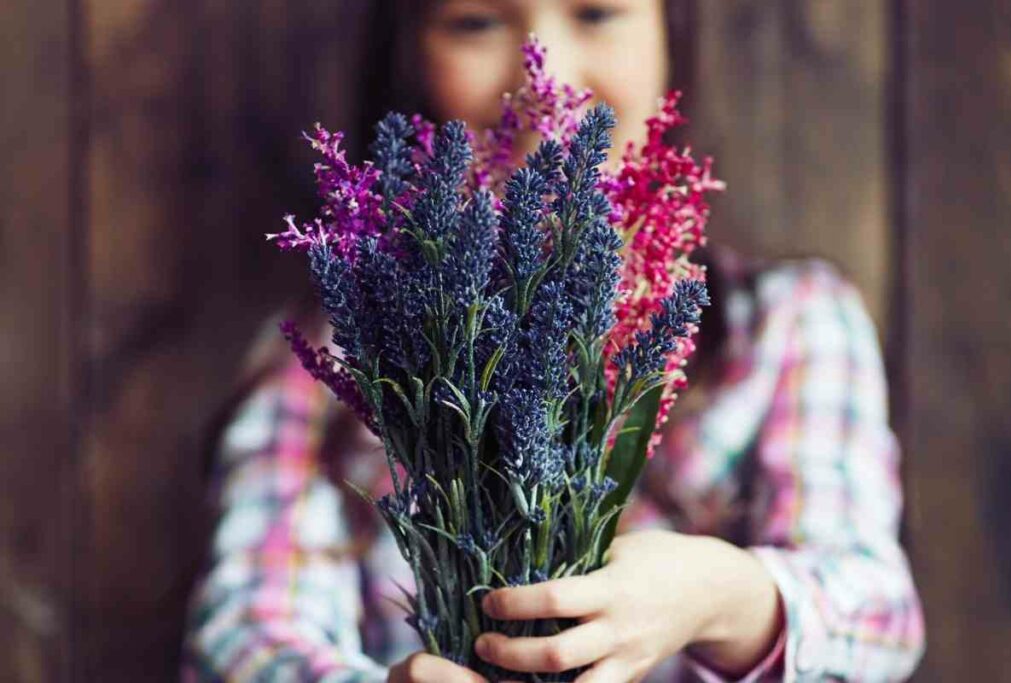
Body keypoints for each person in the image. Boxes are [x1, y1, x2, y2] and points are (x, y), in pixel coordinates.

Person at [181, 1, 926, 681]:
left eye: (598, 13)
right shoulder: (334, 351)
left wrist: (724, 599)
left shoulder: (788, 324)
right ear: (407, 56)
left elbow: (879, 617)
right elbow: (245, 634)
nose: (546, 82)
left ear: (674, 37)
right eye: (476, 23)